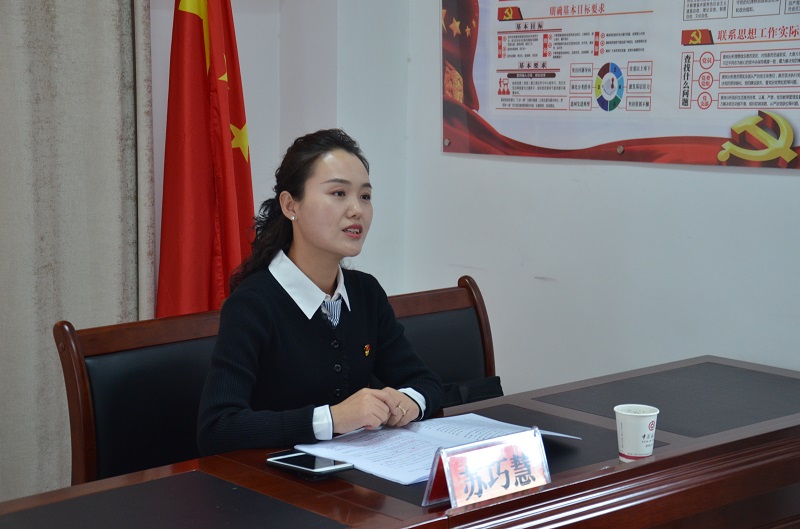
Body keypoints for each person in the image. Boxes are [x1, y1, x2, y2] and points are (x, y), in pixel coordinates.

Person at [197, 128, 444, 455]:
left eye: (365, 196)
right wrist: (332, 419)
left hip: (352, 473)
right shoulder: (252, 304)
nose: (356, 210)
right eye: (338, 193)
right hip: (271, 480)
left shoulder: (365, 293)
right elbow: (217, 428)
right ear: (291, 205)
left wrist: (408, 402)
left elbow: (426, 383)